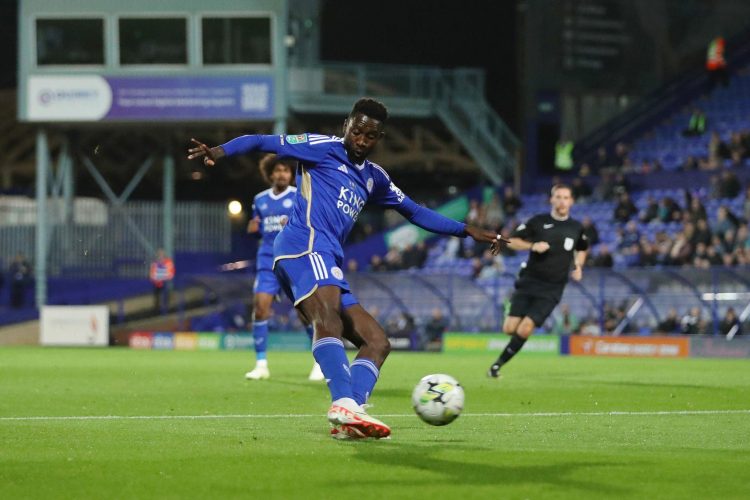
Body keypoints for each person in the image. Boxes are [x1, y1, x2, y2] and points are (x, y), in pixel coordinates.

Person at [188, 97, 504, 440]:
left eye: (371, 136)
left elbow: (415, 211)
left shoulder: (375, 179)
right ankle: (342, 401)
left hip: (328, 258)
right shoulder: (320, 148)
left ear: (378, 139)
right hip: (301, 245)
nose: (362, 140)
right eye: (357, 131)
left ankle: (352, 414)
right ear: (346, 127)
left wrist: (465, 228)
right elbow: (264, 141)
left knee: (377, 342)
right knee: (328, 315)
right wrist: (220, 151)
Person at [487, 184, 588, 378]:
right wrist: (532, 245)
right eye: (558, 196)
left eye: (566, 197)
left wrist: (578, 266)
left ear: (572, 201)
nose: (562, 201)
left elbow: (582, 248)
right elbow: (512, 241)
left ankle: (497, 366)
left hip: (553, 288)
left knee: (525, 329)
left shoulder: (576, 227)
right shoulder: (538, 222)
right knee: (509, 329)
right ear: (551, 199)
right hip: (529, 281)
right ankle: (511, 315)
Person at [244, 154, 324, 382]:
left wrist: (293, 226)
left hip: (293, 260)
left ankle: (320, 363)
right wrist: (253, 229)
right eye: (277, 170)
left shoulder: (299, 196)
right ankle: (261, 365)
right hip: (267, 261)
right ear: (270, 174)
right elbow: (256, 228)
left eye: (286, 171)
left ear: (291, 175)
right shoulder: (259, 200)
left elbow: (310, 226)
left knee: (304, 314)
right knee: (260, 308)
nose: (282, 174)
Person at [149, 249, 174, 313]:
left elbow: (171, 273)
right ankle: (157, 308)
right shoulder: (155, 263)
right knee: (157, 291)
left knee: (166, 288)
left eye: (162, 254)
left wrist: (163, 277)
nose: (160, 256)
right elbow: (152, 275)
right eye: (159, 254)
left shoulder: (168, 262)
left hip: (166, 282)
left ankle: (167, 306)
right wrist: (156, 278)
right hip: (158, 282)